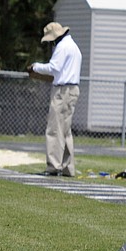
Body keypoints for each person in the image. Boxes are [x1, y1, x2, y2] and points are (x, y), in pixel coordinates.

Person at [30, 21, 82, 177]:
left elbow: (54, 68)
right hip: (73, 89)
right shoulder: (74, 46)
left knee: (54, 129)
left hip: (62, 91)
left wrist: (35, 67)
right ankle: (68, 167)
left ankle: (53, 166)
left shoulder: (62, 47)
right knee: (65, 131)